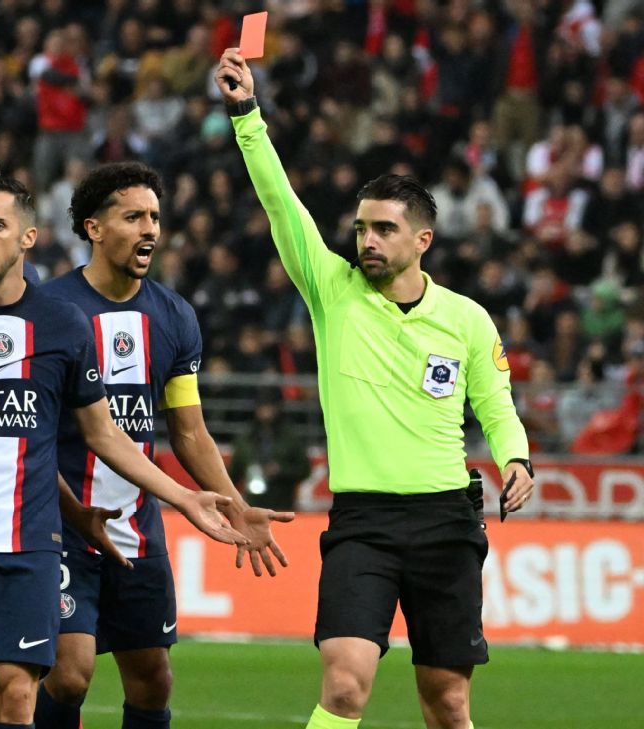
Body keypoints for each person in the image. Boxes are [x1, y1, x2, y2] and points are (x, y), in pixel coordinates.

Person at [0, 175, 247, 729]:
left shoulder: (61, 325)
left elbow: (104, 434)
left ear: (28, 237)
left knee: (17, 696)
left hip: (28, 541)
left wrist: (186, 497)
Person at [215, 50, 535, 729]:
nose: (367, 239)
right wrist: (247, 115)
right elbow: (280, 202)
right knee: (344, 685)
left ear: (423, 238)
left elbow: (496, 405)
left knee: (447, 702)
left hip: (447, 522)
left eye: (384, 228)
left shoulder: (466, 319)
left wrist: (517, 457)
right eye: (362, 226)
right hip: (363, 523)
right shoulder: (333, 291)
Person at [36, 162, 295, 729]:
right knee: (70, 672)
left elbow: (189, 430)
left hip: (138, 526)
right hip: (62, 523)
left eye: (155, 216)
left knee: (153, 680)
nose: (150, 228)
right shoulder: (50, 311)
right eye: (133, 216)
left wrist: (231, 501)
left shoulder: (174, 316)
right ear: (94, 228)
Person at [229, 389, 313, 512]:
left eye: (268, 407)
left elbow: (304, 469)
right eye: (262, 407)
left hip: (283, 504)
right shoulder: (246, 438)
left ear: (277, 408)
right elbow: (233, 474)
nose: (265, 411)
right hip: (253, 506)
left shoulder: (290, 437)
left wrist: (281, 470)